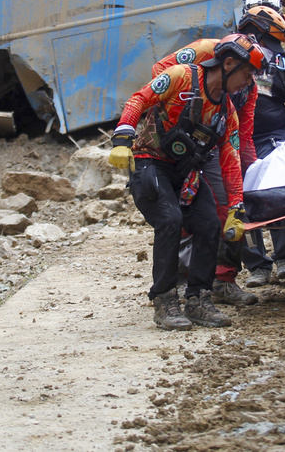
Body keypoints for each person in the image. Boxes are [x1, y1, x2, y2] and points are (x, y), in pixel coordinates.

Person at [109, 34, 266, 330]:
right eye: (247, 73)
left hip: (187, 172)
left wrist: (235, 207)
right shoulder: (181, 77)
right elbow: (139, 98)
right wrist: (122, 136)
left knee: (209, 224)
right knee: (170, 219)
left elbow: (230, 158)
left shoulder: (226, 110)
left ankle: (199, 299)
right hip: (150, 163)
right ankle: (165, 299)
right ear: (229, 64)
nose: (249, 82)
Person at [150, 32, 259, 308]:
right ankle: (179, 281)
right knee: (178, 215)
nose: (248, 80)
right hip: (178, 142)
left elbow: (243, 135)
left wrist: (251, 169)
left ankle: (224, 280)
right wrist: (181, 117)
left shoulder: (250, 86)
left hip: (214, 146)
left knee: (229, 208)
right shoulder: (205, 50)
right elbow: (160, 73)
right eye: (246, 72)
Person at [236, 5, 285, 286]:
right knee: (238, 200)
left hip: (273, 137)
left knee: (277, 193)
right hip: (235, 140)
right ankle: (258, 264)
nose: (270, 50)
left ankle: (284, 259)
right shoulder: (228, 54)